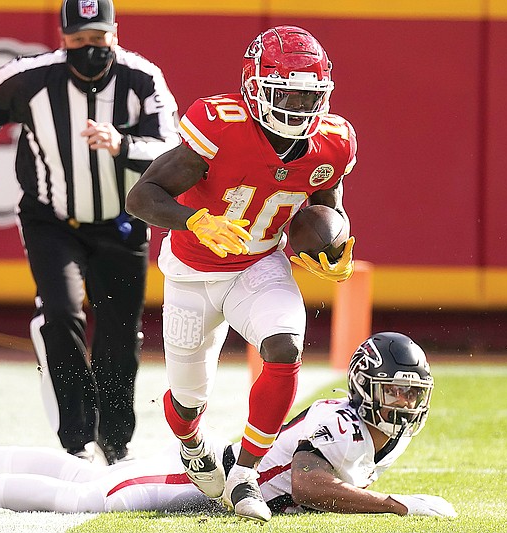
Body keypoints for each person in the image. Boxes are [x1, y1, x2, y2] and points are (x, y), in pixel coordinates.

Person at [123, 25, 356, 522]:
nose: (297, 106)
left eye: (307, 95)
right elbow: (141, 197)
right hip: (192, 269)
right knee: (187, 402)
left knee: (284, 346)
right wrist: (194, 220)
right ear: (255, 84)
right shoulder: (220, 124)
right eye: (286, 93)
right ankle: (192, 446)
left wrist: (333, 248)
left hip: (258, 261)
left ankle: (245, 472)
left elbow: (327, 208)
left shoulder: (333, 142)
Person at [0, 332, 457, 520]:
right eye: (397, 391)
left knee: (89, 478)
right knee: (88, 499)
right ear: (366, 387)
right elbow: (307, 483)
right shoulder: (343, 421)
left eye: (413, 393)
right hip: (203, 480)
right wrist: (394, 505)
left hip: (215, 470)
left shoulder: (379, 429)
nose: (405, 404)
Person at [0, 0, 180, 465]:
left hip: (121, 222)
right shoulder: (32, 79)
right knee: (60, 314)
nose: (89, 50)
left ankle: (115, 443)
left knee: (119, 334)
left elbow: (171, 148)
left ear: (115, 33)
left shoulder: (143, 79)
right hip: (51, 218)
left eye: (98, 39)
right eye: (79, 41)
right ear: (62, 39)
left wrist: (123, 145)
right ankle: (77, 441)